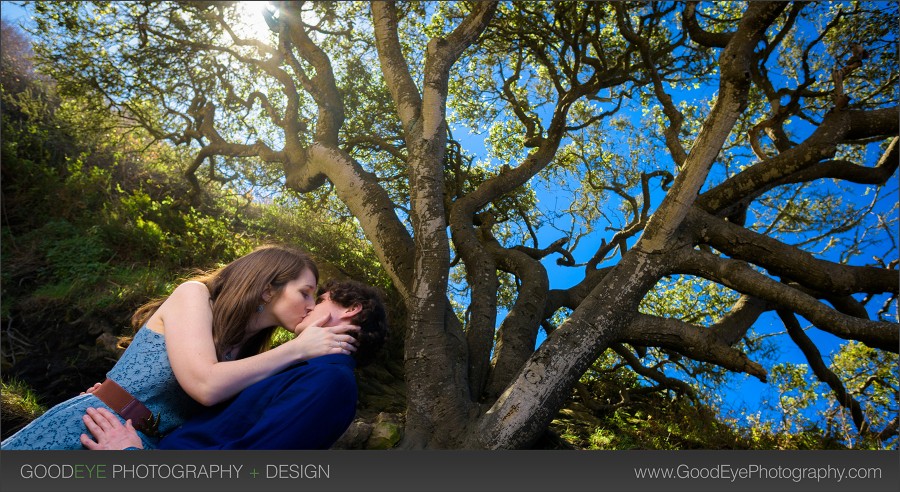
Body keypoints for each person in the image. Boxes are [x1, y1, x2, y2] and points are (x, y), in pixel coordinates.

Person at [1, 245, 360, 450]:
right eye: (306, 292)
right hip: (91, 426)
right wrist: (300, 348)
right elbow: (205, 385)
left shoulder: (249, 355)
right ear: (268, 289)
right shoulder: (195, 295)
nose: (312, 305)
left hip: (134, 449)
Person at [80, 279, 388, 450]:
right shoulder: (296, 369)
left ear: (353, 309)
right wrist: (133, 402)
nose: (309, 307)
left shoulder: (332, 382)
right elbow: (217, 428)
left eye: (320, 300)